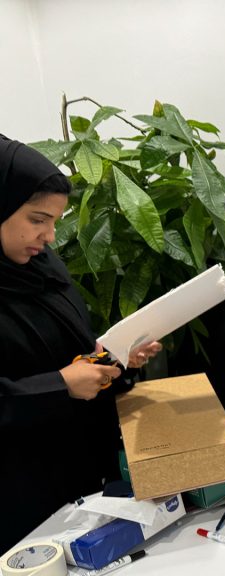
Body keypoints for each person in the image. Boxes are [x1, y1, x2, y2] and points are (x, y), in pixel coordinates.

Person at [0, 135, 161, 551]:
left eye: (55, 221)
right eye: (38, 220)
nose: (50, 236)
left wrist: (114, 359)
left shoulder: (39, 263)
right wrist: (60, 386)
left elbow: (65, 347)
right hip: (19, 501)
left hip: (81, 477)